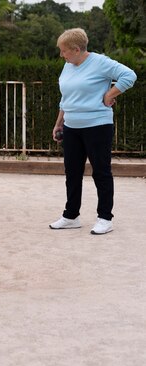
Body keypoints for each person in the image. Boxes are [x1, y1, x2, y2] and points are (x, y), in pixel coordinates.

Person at [49, 28, 136, 234]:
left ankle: (105, 218)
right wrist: (59, 123)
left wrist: (110, 94)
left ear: (76, 49)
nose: (62, 55)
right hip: (71, 127)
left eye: (64, 51)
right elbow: (66, 98)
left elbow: (129, 75)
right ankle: (71, 216)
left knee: (101, 172)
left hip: (97, 126)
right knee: (72, 173)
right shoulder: (68, 66)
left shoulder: (100, 62)